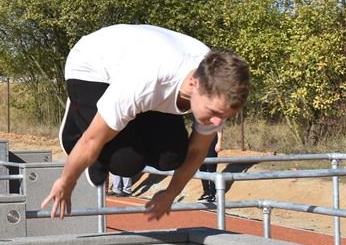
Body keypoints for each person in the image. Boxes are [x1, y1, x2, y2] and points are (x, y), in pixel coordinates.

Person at [41, 24, 249, 221]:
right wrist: (66, 182)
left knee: (172, 157)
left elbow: (196, 151)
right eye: (213, 113)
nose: (217, 122)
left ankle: (122, 120)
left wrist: (170, 193)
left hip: (141, 66)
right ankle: (75, 125)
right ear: (193, 84)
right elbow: (91, 140)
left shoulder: (215, 84)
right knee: (126, 163)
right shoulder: (147, 81)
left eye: (224, 116)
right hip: (93, 66)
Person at [199, 130, 221, 203]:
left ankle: (212, 193)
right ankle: (206, 192)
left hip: (212, 137)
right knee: (201, 166)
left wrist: (219, 142)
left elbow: (219, 128)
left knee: (211, 165)